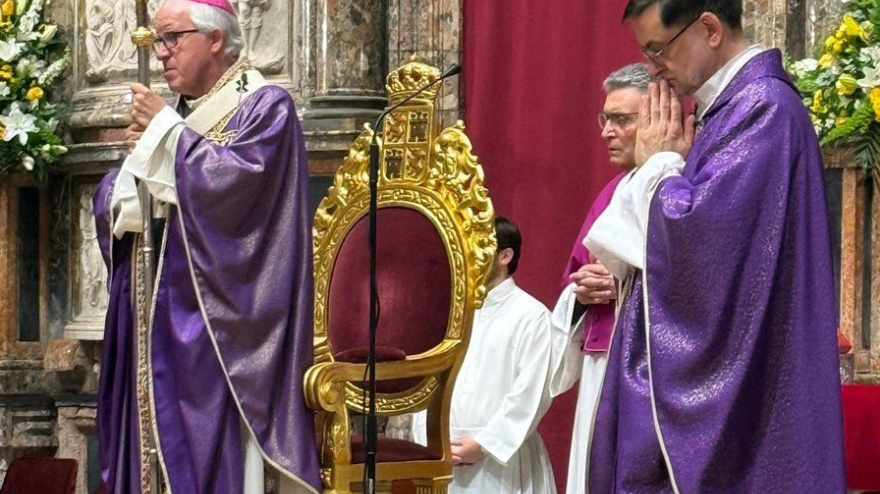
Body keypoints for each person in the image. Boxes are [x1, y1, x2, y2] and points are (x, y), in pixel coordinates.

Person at [583, 0, 845, 492]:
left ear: (708, 28)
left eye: (658, 51)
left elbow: (700, 245)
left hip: (743, 390)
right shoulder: (723, 110)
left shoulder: (763, 109)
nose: (655, 70)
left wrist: (659, 166)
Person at [93, 0, 320, 492]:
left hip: (218, 329)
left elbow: (239, 190)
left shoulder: (265, 107)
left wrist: (167, 138)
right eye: (157, 42)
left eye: (172, 38)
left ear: (216, 39)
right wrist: (120, 190)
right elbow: (135, 194)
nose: (160, 55)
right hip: (155, 319)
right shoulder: (175, 114)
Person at [548, 63, 649, 494]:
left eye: (622, 119)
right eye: (604, 119)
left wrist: (626, 287)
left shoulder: (685, 184)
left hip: (654, 373)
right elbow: (573, 281)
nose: (607, 131)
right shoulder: (611, 194)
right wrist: (583, 291)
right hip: (601, 360)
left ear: (660, 117)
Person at [413, 217, 557, 493]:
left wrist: (485, 446)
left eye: (479, 247)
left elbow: (532, 392)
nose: (469, 256)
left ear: (505, 255)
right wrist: (431, 441)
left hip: (502, 463)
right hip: (444, 461)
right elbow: (429, 379)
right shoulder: (450, 314)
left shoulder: (532, 316)